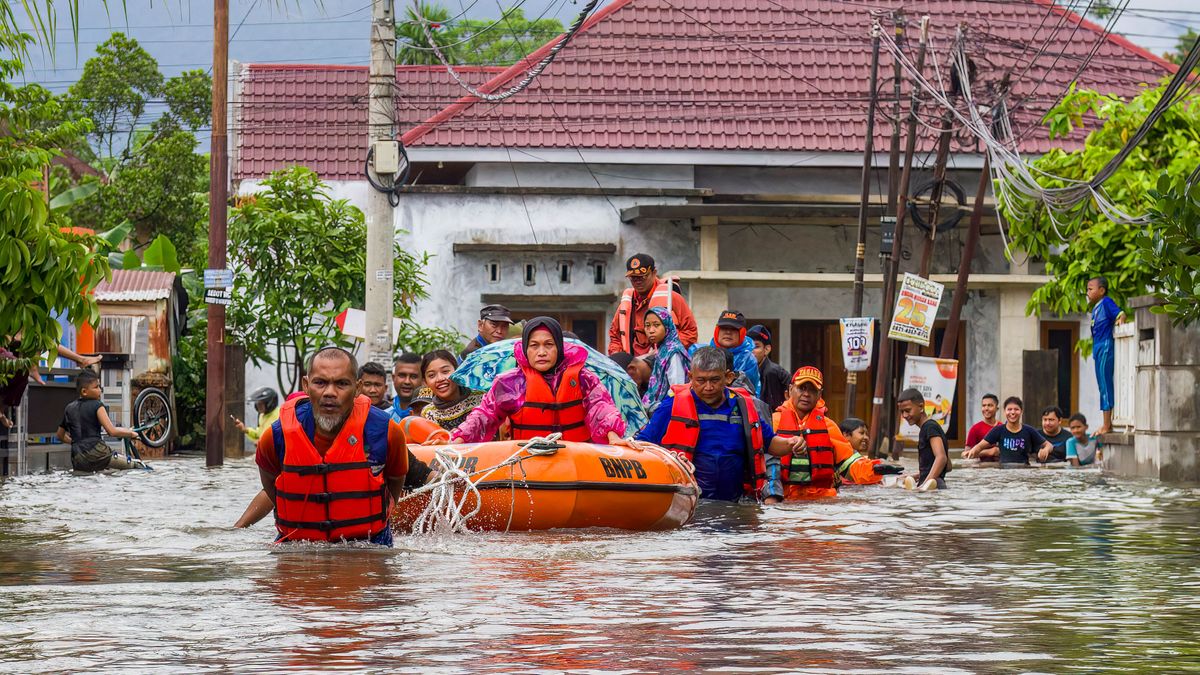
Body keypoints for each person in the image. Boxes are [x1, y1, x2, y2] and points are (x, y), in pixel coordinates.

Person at [252, 347, 431, 545]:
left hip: (369, 544)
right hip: (298, 546)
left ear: (357, 388)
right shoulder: (276, 435)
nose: (330, 393)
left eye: (342, 384)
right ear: (306, 384)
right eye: (320, 382)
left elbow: (396, 479)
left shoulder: (387, 431)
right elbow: (270, 484)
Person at [636, 346, 805, 503]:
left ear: (728, 377)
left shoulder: (743, 407)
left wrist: (791, 443)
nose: (708, 387)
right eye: (701, 380)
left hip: (735, 503)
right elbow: (643, 444)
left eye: (715, 380)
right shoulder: (672, 406)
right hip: (688, 502)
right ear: (690, 377)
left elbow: (771, 444)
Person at [448, 317, 627, 444]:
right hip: (529, 459)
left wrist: (613, 436)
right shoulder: (510, 383)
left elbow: (601, 407)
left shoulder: (583, 378)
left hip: (578, 459)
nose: (541, 352)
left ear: (559, 348)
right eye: (534, 345)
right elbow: (485, 415)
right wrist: (459, 437)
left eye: (548, 345)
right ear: (526, 349)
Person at [772, 366, 896, 500]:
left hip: (821, 501)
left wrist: (875, 470)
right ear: (791, 390)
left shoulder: (828, 426)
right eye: (802, 388)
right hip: (782, 500)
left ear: (819, 394)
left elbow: (850, 464)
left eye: (812, 390)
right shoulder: (773, 422)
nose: (806, 394)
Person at [607, 253, 698, 356]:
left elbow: (690, 332)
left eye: (642, 277)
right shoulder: (627, 303)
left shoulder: (671, 298)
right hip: (634, 366)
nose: (637, 282)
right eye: (633, 278)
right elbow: (615, 336)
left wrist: (665, 349)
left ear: (654, 273)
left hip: (664, 362)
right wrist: (618, 356)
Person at [55, 370, 137, 472]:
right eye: (96, 387)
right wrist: (131, 433)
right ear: (84, 391)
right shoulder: (97, 405)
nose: (100, 390)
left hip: (77, 457)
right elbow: (112, 431)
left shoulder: (69, 408)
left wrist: (76, 442)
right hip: (98, 453)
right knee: (135, 466)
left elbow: (59, 435)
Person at [963, 396, 1053, 465]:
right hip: (1004, 470)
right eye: (1009, 409)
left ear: (1022, 411)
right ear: (1004, 411)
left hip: (1024, 469)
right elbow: (979, 446)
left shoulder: (1029, 430)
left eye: (1016, 409)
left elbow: (1049, 445)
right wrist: (973, 452)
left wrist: (1045, 450)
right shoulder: (998, 430)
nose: (1012, 412)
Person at [1087, 276, 1125, 435]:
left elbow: (1120, 313)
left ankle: (1106, 424)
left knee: (1105, 384)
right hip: (1097, 347)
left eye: (1090, 289)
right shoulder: (1095, 308)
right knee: (1101, 385)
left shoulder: (1107, 302)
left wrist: (1120, 320)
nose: (1087, 292)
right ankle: (1105, 423)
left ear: (1101, 290)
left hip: (1105, 346)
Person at [693, 310, 761, 397]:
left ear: (742, 333)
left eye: (734, 329)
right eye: (724, 328)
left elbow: (748, 392)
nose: (728, 332)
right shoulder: (699, 353)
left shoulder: (748, 360)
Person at [419, 350, 485, 432]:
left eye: (445, 371)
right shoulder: (428, 413)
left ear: (457, 372)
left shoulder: (482, 397)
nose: (440, 379)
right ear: (425, 382)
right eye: (431, 375)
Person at [896, 388, 949, 489]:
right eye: (902, 412)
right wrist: (916, 476)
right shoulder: (931, 427)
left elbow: (941, 458)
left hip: (932, 487)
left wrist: (924, 485)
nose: (904, 415)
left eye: (907, 410)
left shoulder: (929, 427)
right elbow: (948, 466)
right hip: (936, 485)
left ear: (921, 407)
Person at [641, 307, 691, 412]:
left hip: (669, 410)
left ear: (667, 326)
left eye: (656, 325)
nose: (651, 330)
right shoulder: (662, 349)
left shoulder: (673, 352)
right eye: (647, 326)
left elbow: (677, 388)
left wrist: (661, 409)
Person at [748, 325, 789, 411]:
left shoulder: (772, 372)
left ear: (766, 349)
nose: (751, 350)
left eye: (756, 346)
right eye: (748, 346)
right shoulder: (748, 370)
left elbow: (770, 410)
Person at [390, 353, 423, 421]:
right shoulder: (385, 417)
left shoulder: (431, 415)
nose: (407, 381)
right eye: (402, 375)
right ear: (393, 378)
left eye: (413, 376)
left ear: (423, 380)